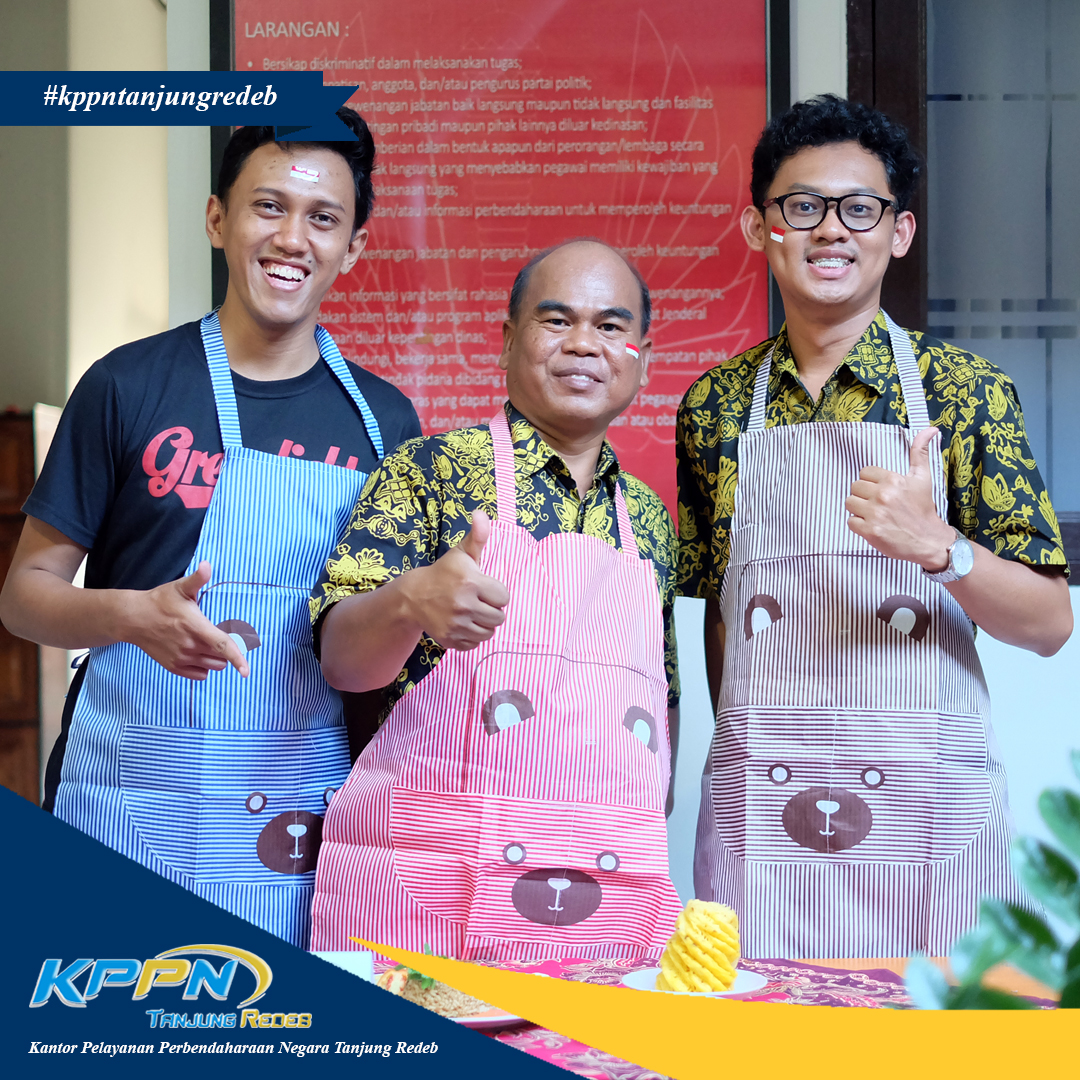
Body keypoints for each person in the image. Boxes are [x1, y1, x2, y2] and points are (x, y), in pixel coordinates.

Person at [0, 108, 421, 949]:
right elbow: (24, 597)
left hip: (295, 808)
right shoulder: (126, 386)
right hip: (126, 794)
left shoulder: (386, 424)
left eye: (323, 218)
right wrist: (129, 615)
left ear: (353, 247)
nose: (291, 238)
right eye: (268, 206)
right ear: (217, 218)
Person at [676, 95, 1072, 959]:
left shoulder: (966, 391)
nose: (831, 230)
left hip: (927, 798)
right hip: (764, 799)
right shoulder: (713, 405)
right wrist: (733, 754)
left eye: (860, 209)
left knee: (934, 1020)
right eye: (802, 206)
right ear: (759, 227)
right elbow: (721, 610)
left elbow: (1049, 624)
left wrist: (940, 547)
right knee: (760, 1017)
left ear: (899, 232)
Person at [307, 238, 684, 958]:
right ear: (509, 342)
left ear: (642, 359)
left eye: (610, 326)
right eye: (556, 320)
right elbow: (341, 665)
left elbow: (660, 696)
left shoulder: (649, 520)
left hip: (603, 882)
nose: (584, 344)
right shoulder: (430, 472)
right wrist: (409, 601)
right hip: (434, 879)